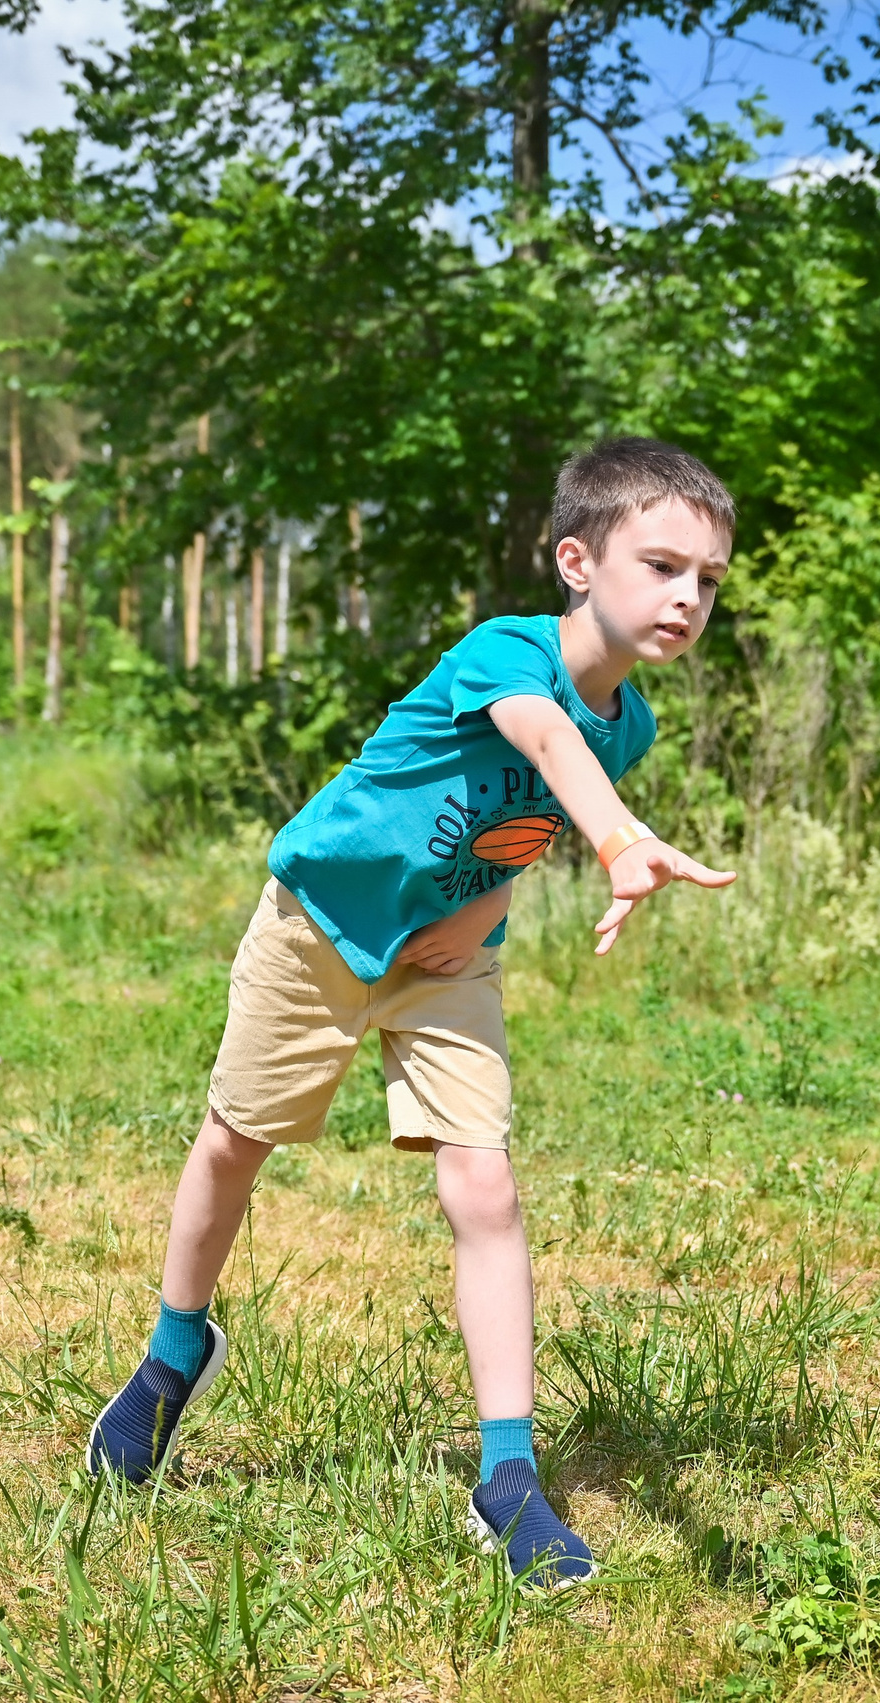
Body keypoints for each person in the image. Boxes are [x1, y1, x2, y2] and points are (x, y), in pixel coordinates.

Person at [86, 438, 739, 1588]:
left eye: (709, 577)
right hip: (321, 925)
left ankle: (507, 1475)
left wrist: (486, 901)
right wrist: (622, 839)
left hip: (449, 958)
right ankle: (170, 1358)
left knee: (484, 1184)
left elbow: (524, 822)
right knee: (234, 1142)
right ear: (577, 561)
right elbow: (542, 740)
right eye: (661, 564)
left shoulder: (629, 723)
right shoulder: (507, 651)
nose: (687, 595)